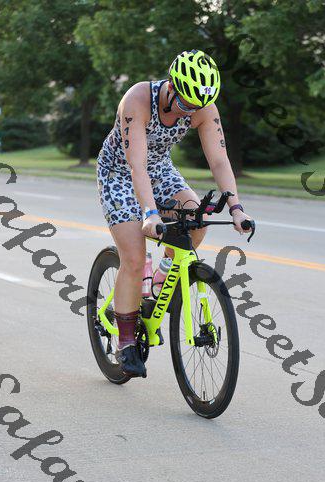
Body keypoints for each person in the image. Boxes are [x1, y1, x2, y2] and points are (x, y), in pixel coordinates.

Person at [96, 49, 252, 378]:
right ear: (170, 86)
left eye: (197, 106)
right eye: (185, 104)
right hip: (119, 174)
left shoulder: (203, 108)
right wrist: (150, 214)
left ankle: (160, 279)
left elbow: (219, 161)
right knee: (134, 257)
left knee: (196, 221)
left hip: (160, 170)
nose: (190, 111)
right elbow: (137, 167)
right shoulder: (138, 99)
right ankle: (126, 342)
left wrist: (236, 208)